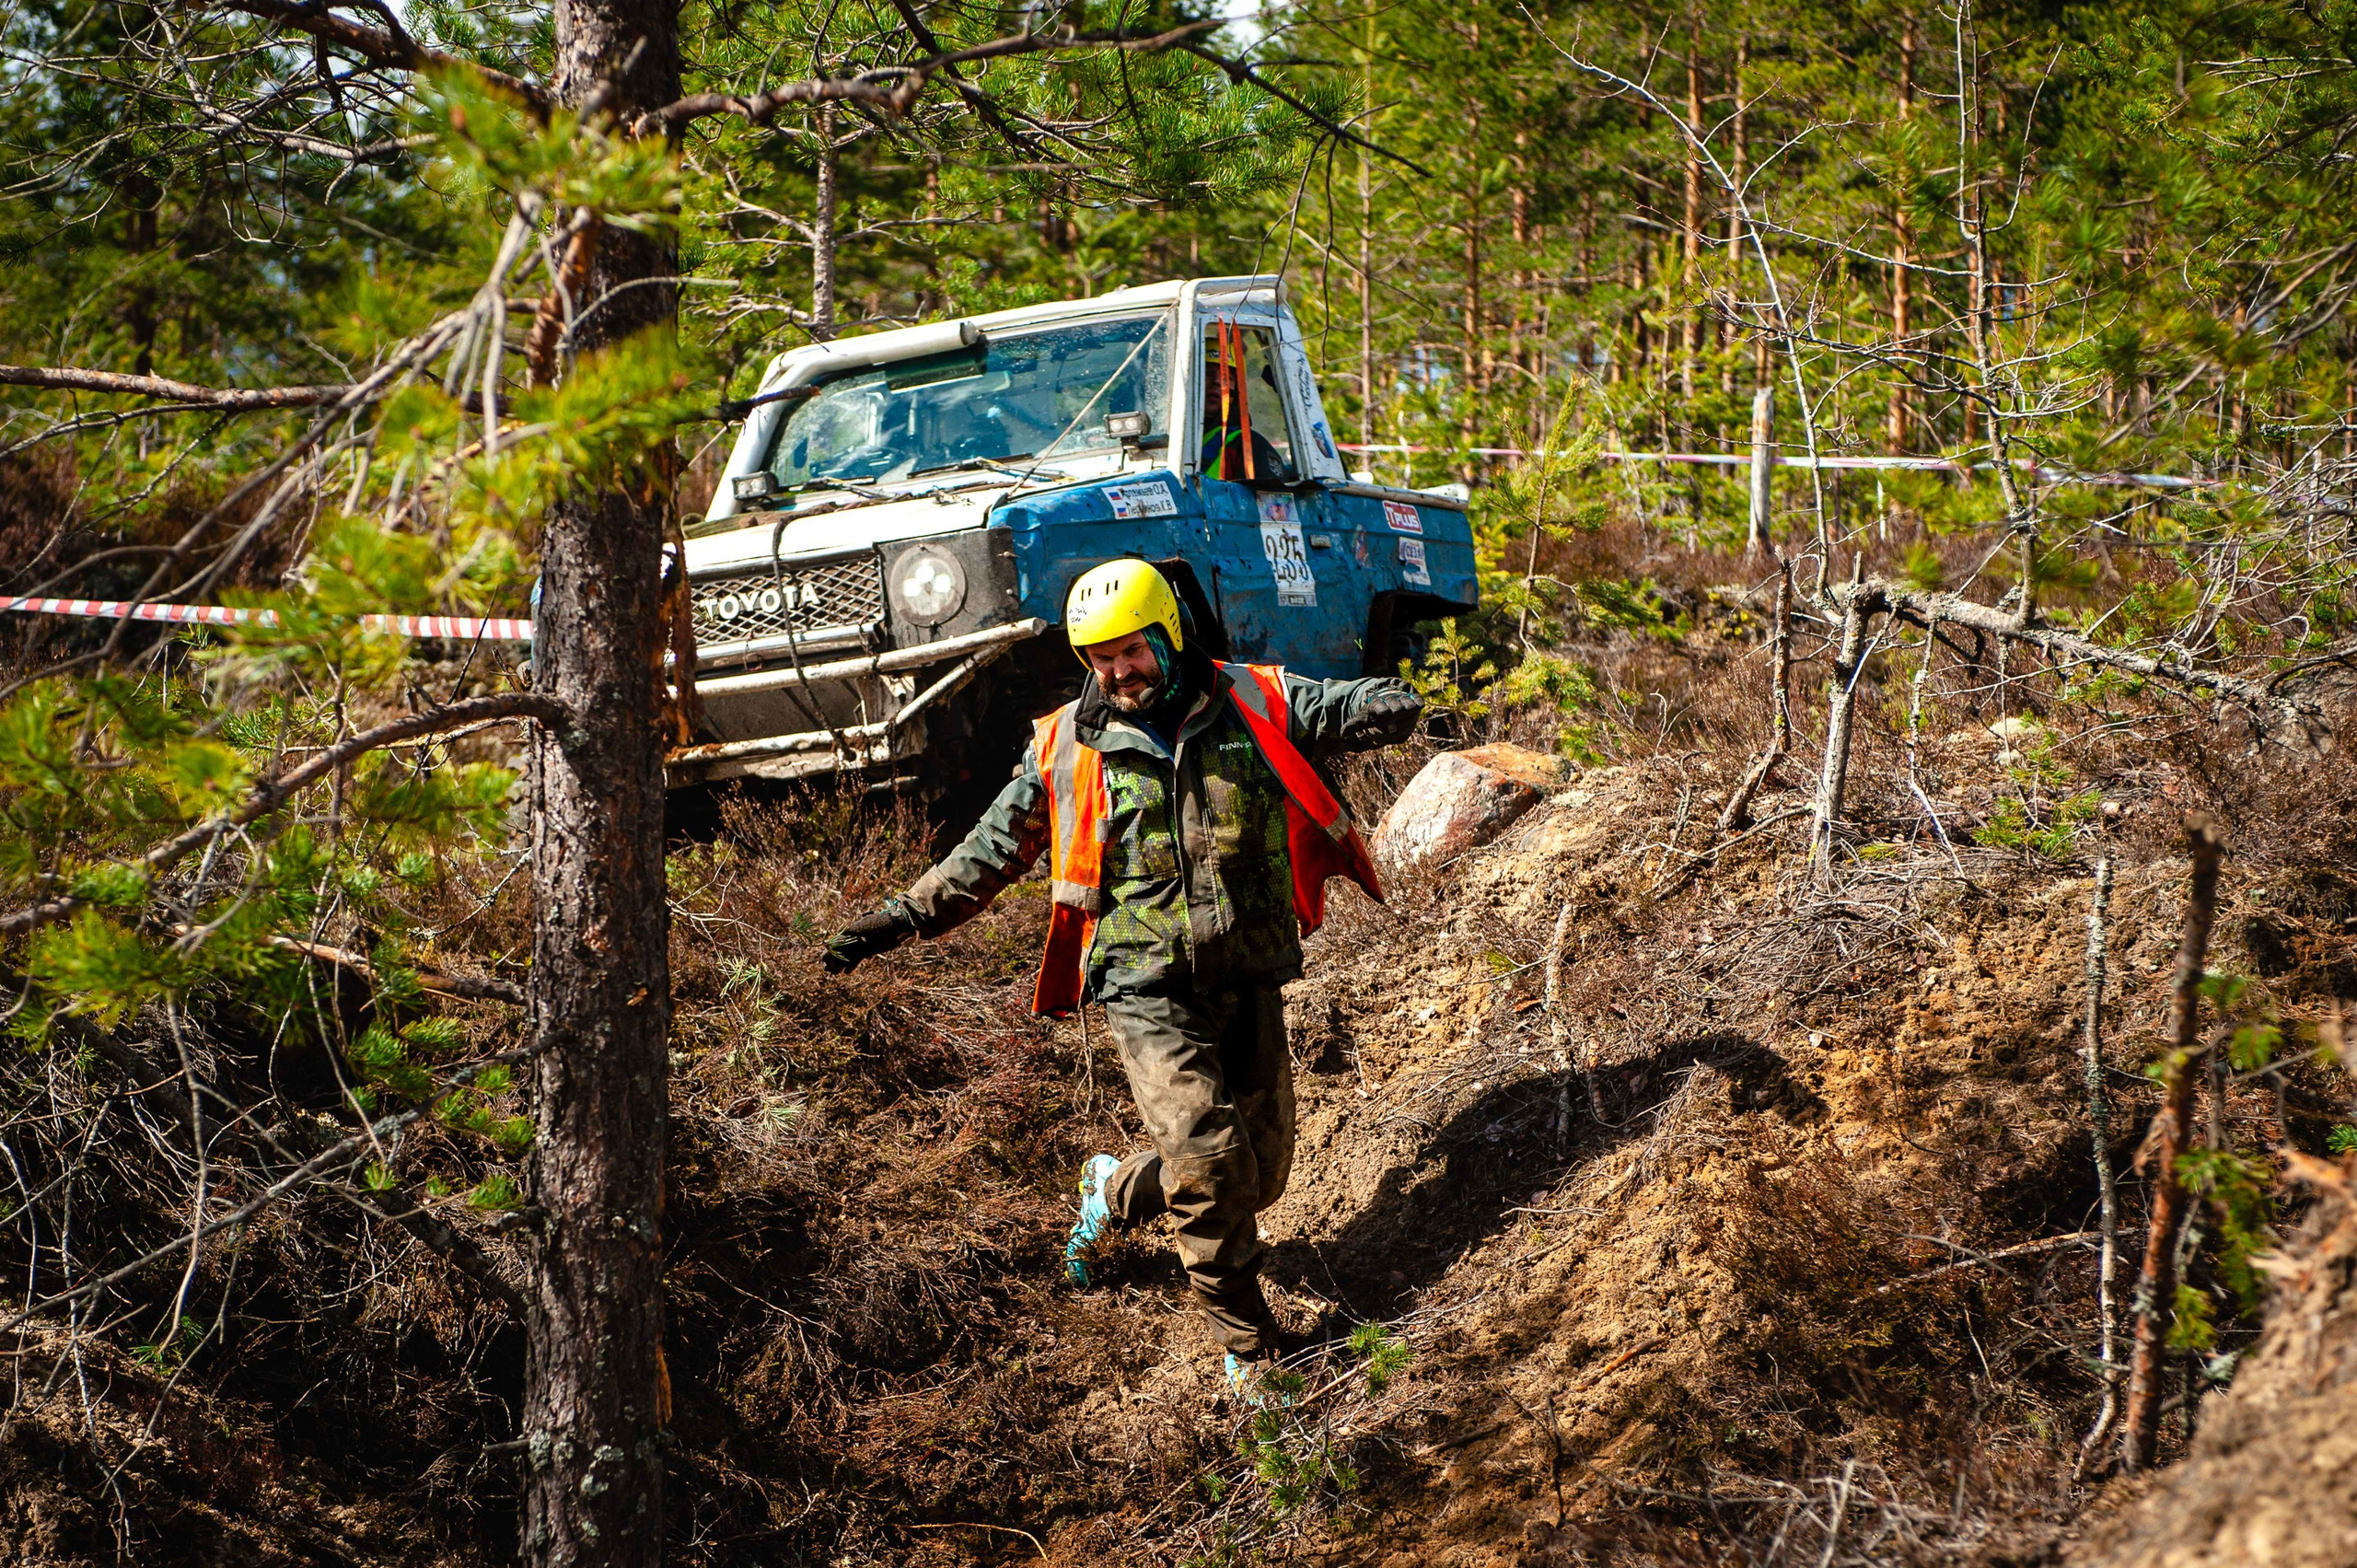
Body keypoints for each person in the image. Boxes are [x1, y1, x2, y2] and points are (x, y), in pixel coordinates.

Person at [823, 559, 1422, 1391]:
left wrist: (1377, 702)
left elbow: (1331, 703)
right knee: (1211, 1166)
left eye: (1130, 651)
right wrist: (903, 915)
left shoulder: (1252, 699)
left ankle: (1111, 1188)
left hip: (1247, 971)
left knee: (1260, 1174)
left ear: (1168, 636)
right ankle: (1253, 1355)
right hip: (1143, 985)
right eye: (1098, 658)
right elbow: (991, 851)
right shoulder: (1067, 744)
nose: (1116, 672)